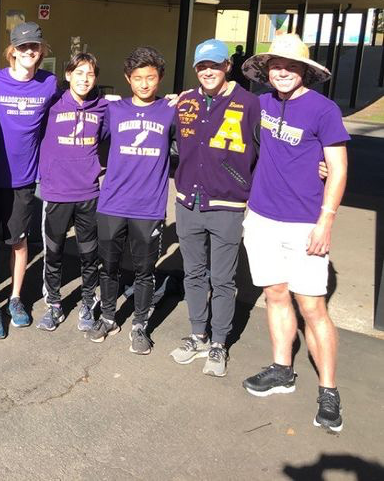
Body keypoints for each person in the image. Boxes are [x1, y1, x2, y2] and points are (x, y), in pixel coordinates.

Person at [239, 34, 349, 433]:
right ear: (267, 71)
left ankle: (329, 390)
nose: (282, 72)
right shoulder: (262, 104)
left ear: (304, 71)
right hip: (263, 218)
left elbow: (337, 168)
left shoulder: (325, 110)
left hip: (306, 224)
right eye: (276, 65)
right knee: (275, 295)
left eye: (291, 66)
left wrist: (327, 219)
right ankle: (282, 369)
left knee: (313, 308)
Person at [168, 39, 260, 376]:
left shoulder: (250, 104)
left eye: (215, 65)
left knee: (222, 279)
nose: (209, 71)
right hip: (188, 202)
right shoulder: (185, 102)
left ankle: (219, 343)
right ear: (196, 69)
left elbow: (271, 152)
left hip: (227, 205)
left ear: (227, 67)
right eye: (202, 66)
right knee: (194, 274)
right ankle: (197, 335)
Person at [87, 47, 176, 354]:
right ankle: (109, 317)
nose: (144, 84)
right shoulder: (114, 110)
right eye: (138, 78)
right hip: (112, 203)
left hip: (149, 206)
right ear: (128, 78)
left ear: (160, 77)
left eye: (151, 77)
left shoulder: (171, 110)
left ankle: (140, 325)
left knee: (144, 270)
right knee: (108, 266)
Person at [0, 22, 58, 337]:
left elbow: (76, 102)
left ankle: (15, 299)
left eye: (34, 46)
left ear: (41, 50)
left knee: (19, 243)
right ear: (12, 51)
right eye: (23, 47)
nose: (29, 52)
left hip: (24, 181)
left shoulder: (49, 84)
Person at [36, 52, 108, 332]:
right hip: (56, 192)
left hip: (88, 192)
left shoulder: (103, 107)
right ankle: (54, 304)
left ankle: (88, 302)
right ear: (67, 75)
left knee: (89, 253)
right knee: (53, 253)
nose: (84, 79)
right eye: (79, 73)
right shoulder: (51, 103)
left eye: (90, 74)